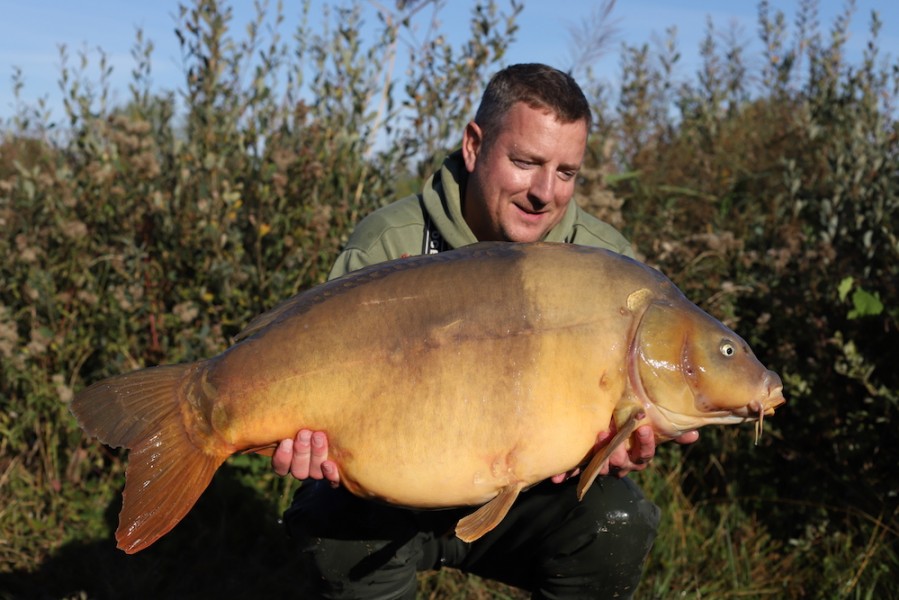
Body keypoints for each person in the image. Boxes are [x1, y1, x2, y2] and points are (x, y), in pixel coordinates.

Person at [272, 63, 699, 599]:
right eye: (526, 162)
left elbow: (617, 421)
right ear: (474, 146)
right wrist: (307, 443)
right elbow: (317, 377)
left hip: (529, 497)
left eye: (566, 172)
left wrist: (616, 450)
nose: (545, 192)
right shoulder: (391, 241)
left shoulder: (606, 266)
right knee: (328, 526)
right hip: (388, 494)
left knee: (620, 519)